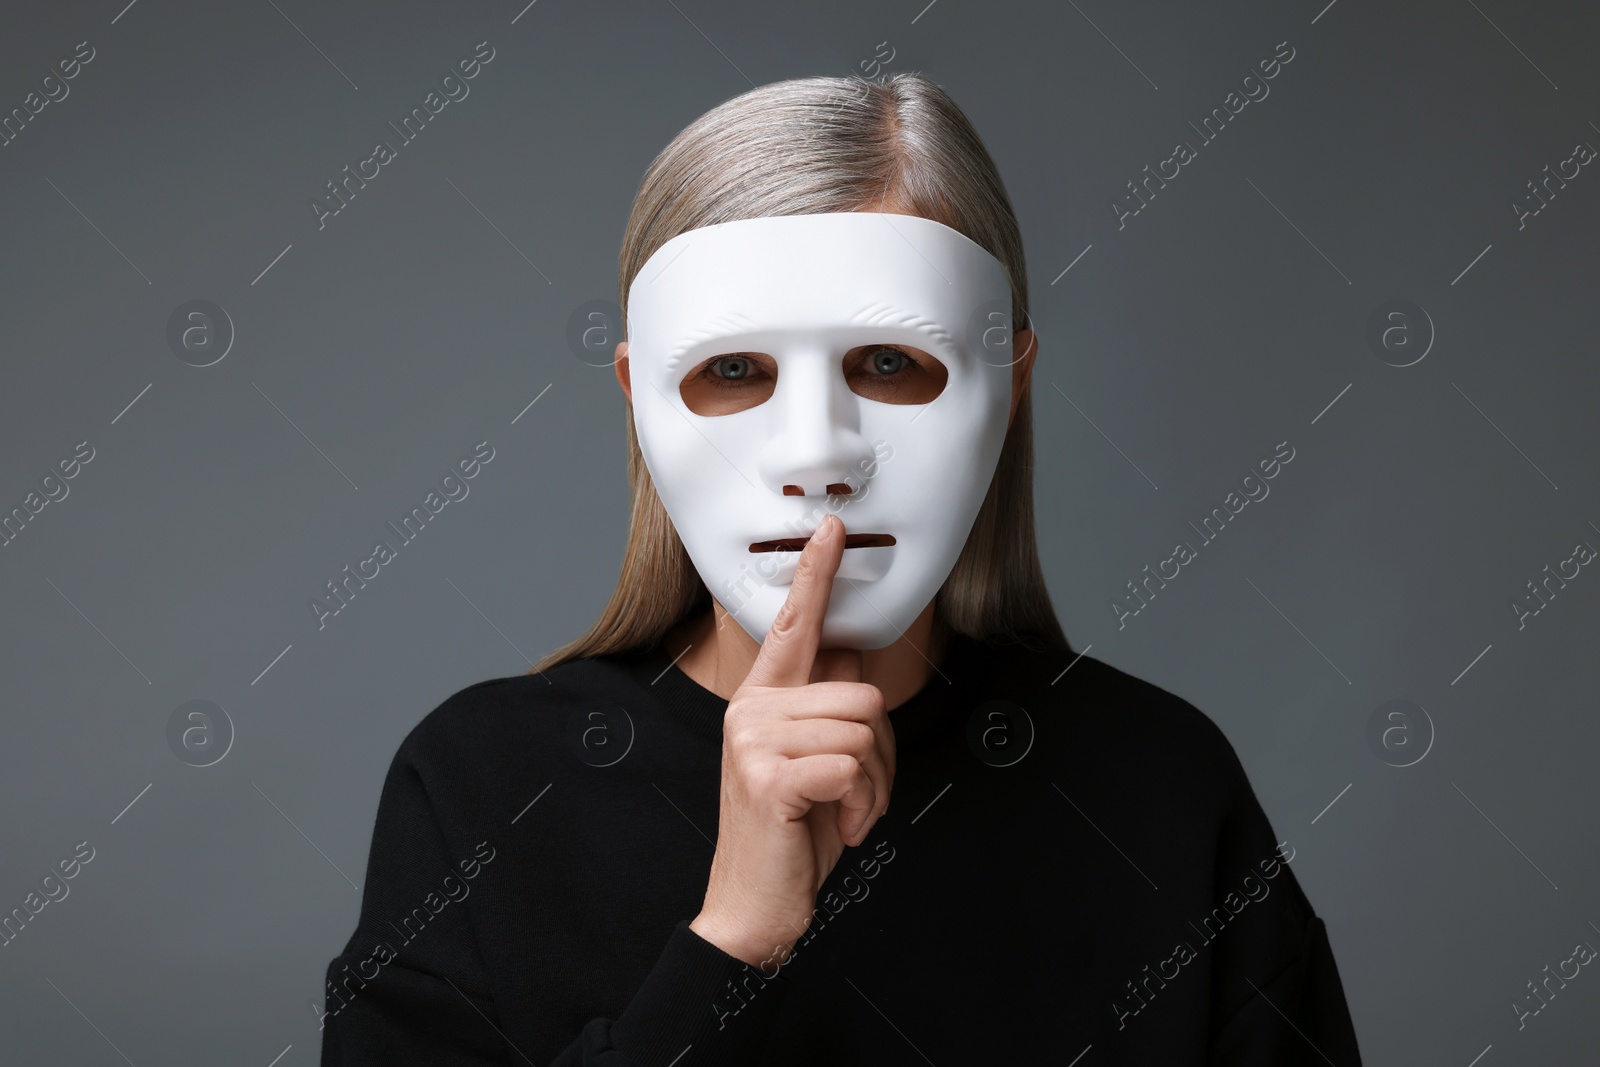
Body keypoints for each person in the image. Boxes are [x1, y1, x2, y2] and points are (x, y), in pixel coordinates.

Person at [319, 73, 1363, 1065]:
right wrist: (729, 937)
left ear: (1010, 381)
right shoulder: (482, 789)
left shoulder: (1156, 785)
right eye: (733, 369)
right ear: (638, 395)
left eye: (889, 362)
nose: (818, 452)